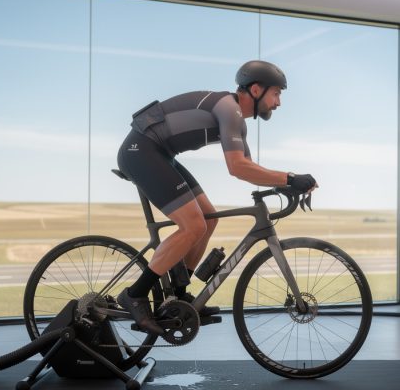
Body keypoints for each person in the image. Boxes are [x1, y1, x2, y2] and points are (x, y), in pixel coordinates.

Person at [116, 60, 318, 334]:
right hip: (141, 151)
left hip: (160, 154)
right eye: (277, 93)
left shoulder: (237, 120)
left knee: (208, 220)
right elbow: (237, 168)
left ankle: (177, 295)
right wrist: (291, 178)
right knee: (193, 225)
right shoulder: (229, 108)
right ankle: (135, 294)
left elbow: (249, 169)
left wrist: (287, 184)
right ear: (256, 89)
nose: (278, 102)